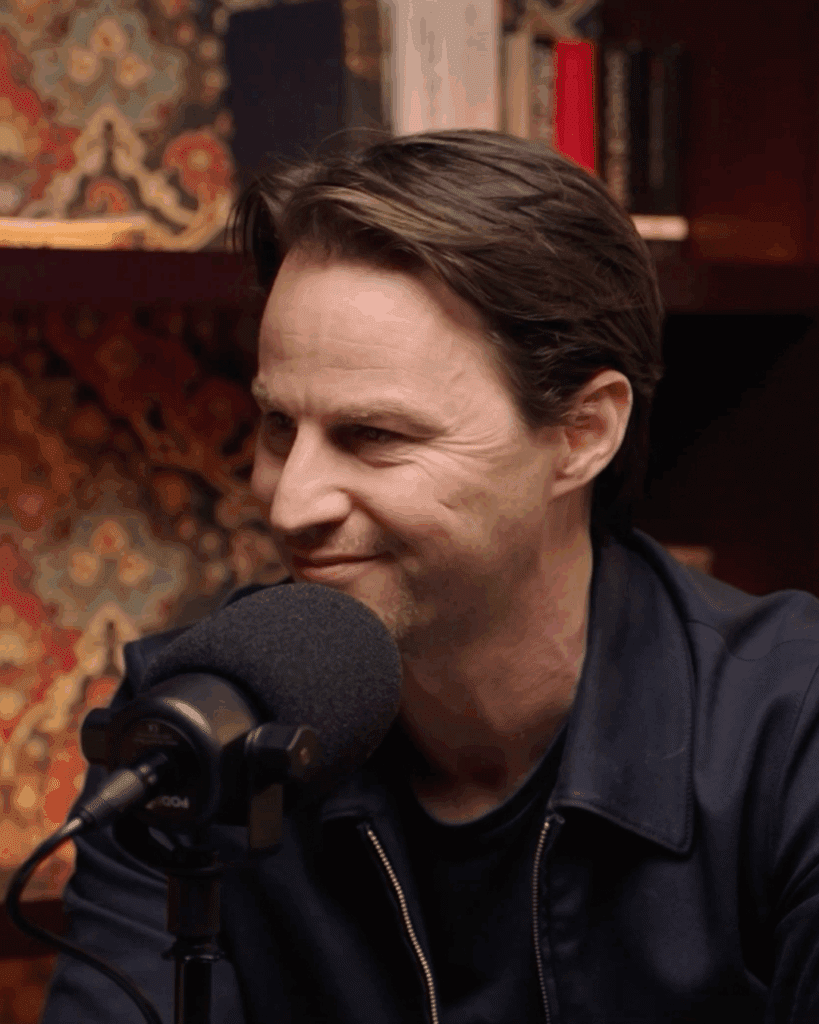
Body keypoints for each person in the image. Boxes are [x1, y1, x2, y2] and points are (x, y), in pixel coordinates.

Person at [41, 129, 819, 1024]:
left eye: (374, 437)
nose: (290, 503)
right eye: (278, 429)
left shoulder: (789, 728)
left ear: (581, 433)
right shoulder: (191, 731)